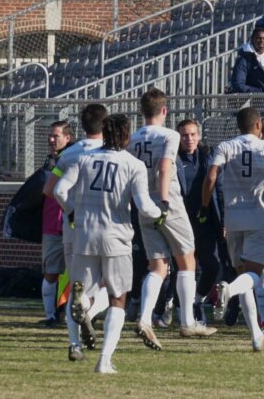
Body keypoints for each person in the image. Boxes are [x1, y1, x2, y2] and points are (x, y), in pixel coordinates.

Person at [54, 114, 164, 375]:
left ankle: (80, 324)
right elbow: (144, 206)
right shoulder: (133, 164)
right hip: (116, 237)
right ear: (126, 135)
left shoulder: (83, 159)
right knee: (117, 298)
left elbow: (59, 190)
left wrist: (71, 212)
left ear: (104, 132)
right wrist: (161, 214)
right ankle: (104, 360)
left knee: (83, 291)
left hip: (84, 234)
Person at [129, 88, 213, 348]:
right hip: (168, 202)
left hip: (143, 203)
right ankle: (187, 322)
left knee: (158, 267)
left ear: (142, 112)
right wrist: (165, 201)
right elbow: (165, 167)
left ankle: (144, 318)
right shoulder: (169, 135)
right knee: (187, 259)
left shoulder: (133, 138)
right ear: (164, 111)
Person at [203, 107, 264, 352]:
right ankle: (228, 290)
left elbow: (211, 177)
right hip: (258, 217)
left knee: (244, 275)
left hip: (232, 218)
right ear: (258, 125)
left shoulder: (225, 147)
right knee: (252, 275)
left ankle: (255, 335)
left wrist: (204, 205)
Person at [43, 103, 107, 361]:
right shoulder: (110, 153)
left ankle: (74, 345)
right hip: (102, 224)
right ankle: (89, 315)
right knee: (110, 286)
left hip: (72, 228)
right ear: (104, 125)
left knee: (76, 284)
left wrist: (70, 210)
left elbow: (50, 190)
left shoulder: (68, 155)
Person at [175, 119, 223, 325]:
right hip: (179, 220)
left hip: (204, 219)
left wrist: (222, 219)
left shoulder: (207, 157)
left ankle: (197, 300)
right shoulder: (173, 158)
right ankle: (180, 310)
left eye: (193, 134)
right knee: (184, 268)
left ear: (199, 135)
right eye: (185, 135)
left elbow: (217, 186)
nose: (189, 139)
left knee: (212, 266)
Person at [39, 121, 73, 326]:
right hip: (52, 224)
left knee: (78, 273)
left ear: (68, 138)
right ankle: (50, 315)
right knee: (51, 271)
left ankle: (72, 313)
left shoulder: (73, 159)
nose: (52, 140)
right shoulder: (49, 161)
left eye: (56, 136)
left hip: (72, 223)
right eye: (50, 136)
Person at [231, 27, 264, 94]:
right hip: (255, 101)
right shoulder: (244, 60)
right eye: (258, 38)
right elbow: (238, 84)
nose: (261, 40)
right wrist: (259, 93)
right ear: (252, 39)